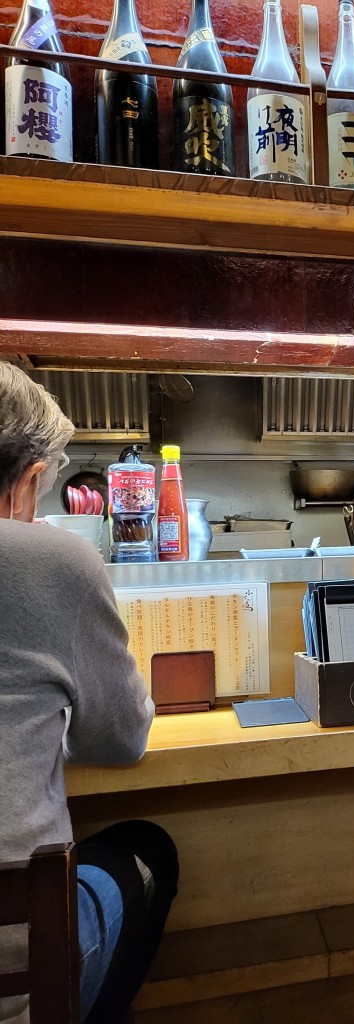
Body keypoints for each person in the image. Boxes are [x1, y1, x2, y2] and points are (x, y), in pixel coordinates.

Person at [0, 362, 177, 1024]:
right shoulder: (47, 558)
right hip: (15, 983)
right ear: (32, 480)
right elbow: (123, 739)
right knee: (145, 851)